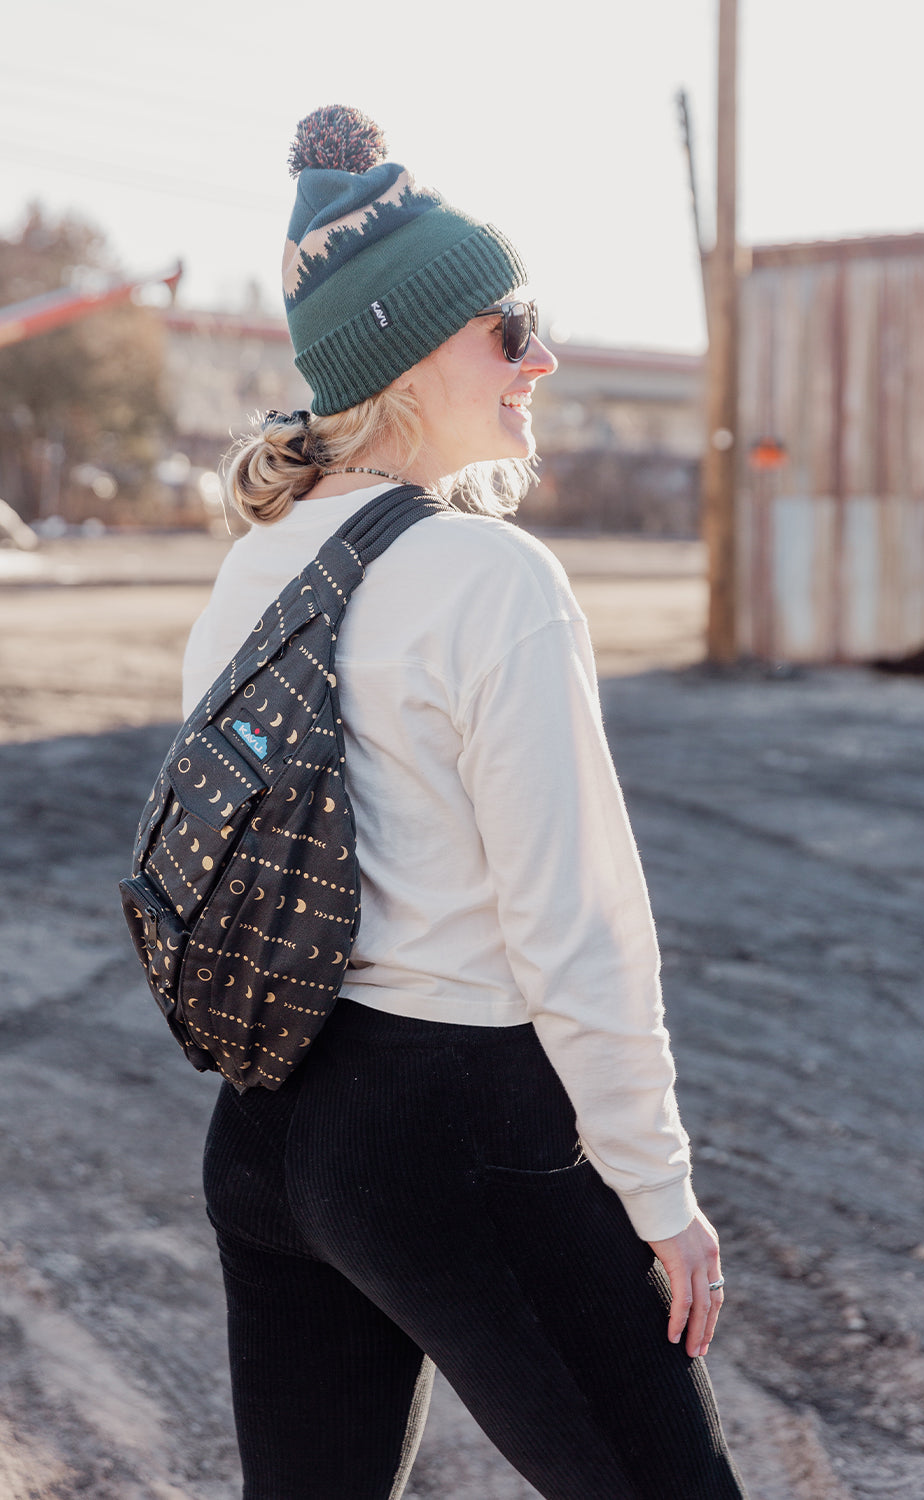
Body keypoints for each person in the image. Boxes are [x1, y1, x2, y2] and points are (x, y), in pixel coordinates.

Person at [182, 104, 747, 1500]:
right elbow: (577, 928)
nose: (539, 359)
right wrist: (658, 1192)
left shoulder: (252, 570)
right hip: (453, 1129)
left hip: (267, 1125)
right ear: (414, 351)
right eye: (513, 329)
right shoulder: (492, 577)